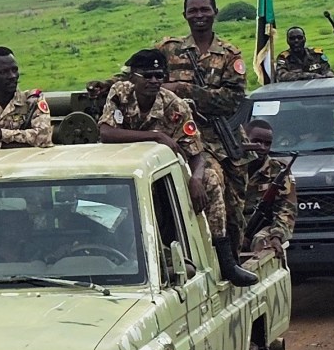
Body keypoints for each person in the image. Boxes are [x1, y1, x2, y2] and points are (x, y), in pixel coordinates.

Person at [99, 48, 254, 286]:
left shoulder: (175, 106)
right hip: (126, 168)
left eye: (159, 76)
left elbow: (196, 152)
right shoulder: (120, 94)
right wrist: (155, 137)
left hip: (165, 170)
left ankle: (226, 260)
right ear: (133, 77)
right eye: (147, 75)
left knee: (211, 179)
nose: (153, 81)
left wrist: (196, 179)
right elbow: (107, 132)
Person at [158, 0, 254, 283]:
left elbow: (233, 101)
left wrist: (186, 90)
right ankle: (219, 261)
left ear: (215, 12)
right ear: (184, 15)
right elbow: (140, 75)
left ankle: (233, 258)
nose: (199, 15)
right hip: (186, 136)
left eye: (204, 10)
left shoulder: (229, 54)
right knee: (211, 185)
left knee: (236, 206)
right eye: (193, 10)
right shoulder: (169, 49)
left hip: (223, 138)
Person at [240, 119, 297, 262]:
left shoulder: (278, 171)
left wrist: (277, 236)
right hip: (233, 228)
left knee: (263, 242)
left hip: (262, 228)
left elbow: (287, 210)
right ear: (245, 139)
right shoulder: (230, 167)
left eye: (267, 144)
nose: (262, 147)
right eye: (257, 142)